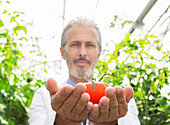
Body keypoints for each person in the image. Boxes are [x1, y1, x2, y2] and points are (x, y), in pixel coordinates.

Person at [28, 17, 140, 125]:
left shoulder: (121, 99)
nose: (82, 52)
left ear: (99, 54)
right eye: (75, 44)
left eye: (90, 45)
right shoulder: (43, 96)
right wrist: (63, 122)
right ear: (63, 52)